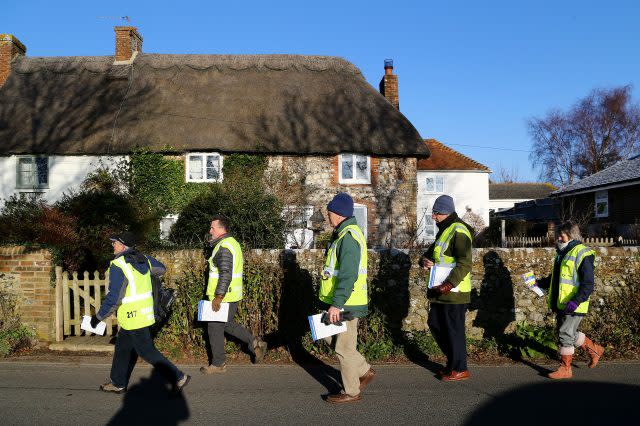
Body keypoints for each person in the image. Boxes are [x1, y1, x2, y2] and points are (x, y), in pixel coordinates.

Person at [92, 231, 190, 394]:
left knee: (147, 351)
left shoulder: (119, 265)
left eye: (115, 242)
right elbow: (161, 269)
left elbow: (115, 297)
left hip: (133, 317)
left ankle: (178, 376)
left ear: (123, 245)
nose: (112, 245)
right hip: (144, 314)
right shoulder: (142, 259)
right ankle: (118, 383)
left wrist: (99, 317)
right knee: (122, 349)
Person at [319, 193, 375, 404]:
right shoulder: (342, 234)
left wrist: (337, 304)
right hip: (341, 301)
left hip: (346, 303)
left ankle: (351, 391)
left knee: (343, 347)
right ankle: (364, 370)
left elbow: (348, 274)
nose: (327, 216)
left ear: (339, 214)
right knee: (327, 333)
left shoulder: (348, 238)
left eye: (330, 213)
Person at [536, 221, 604, 379]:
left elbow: (588, 283)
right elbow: (556, 279)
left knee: (565, 333)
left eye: (562, 234)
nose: (558, 237)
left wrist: (576, 301)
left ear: (571, 235)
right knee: (568, 333)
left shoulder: (581, 253)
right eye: (558, 234)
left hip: (573, 303)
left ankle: (566, 368)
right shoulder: (563, 253)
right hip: (563, 302)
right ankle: (594, 350)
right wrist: (539, 283)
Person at [200, 215, 267, 374]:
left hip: (224, 296)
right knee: (227, 324)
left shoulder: (224, 246)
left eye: (212, 228)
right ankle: (255, 343)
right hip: (231, 295)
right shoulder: (231, 243)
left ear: (221, 228)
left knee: (214, 327)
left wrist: (219, 296)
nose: (210, 231)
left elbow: (225, 273)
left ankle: (218, 364)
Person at [420, 195, 473, 381]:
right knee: (435, 323)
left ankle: (460, 368)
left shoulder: (459, 230)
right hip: (440, 290)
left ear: (445, 212)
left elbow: (465, 263)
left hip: (454, 292)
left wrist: (449, 284)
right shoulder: (445, 230)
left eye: (436, 213)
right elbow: (430, 254)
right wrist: (425, 261)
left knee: (454, 330)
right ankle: (452, 364)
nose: (433, 217)